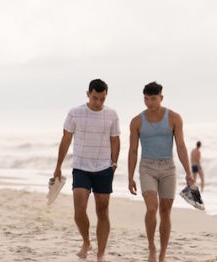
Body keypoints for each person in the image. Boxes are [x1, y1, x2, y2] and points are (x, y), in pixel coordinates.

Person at [53, 79, 120, 262]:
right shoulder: (75, 113)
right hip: (81, 167)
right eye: (95, 98)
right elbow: (66, 139)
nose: (98, 103)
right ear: (88, 94)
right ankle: (86, 241)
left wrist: (114, 164)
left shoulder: (112, 114)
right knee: (79, 210)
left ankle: (101, 253)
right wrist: (58, 166)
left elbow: (115, 140)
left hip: (104, 168)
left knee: (103, 210)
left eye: (102, 99)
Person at [128, 81, 194, 262]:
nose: (149, 103)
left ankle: (163, 253)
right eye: (146, 99)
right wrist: (130, 176)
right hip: (147, 167)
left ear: (161, 98)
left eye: (153, 99)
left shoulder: (174, 118)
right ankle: (151, 247)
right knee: (151, 208)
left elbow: (180, 146)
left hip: (168, 168)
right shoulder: (136, 121)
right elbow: (133, 151)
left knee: (165, 212)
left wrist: (188, 172)